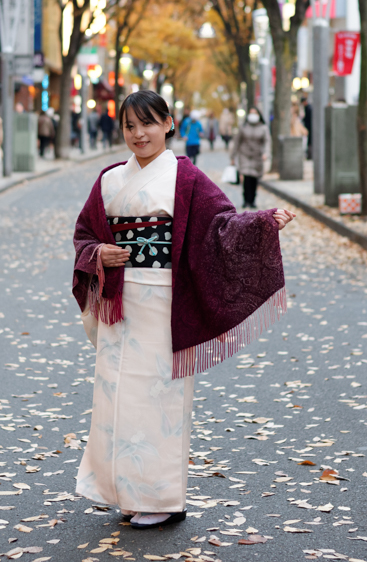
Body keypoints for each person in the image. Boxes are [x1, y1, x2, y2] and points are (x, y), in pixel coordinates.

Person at [71, 90, 295, 529]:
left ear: (169, 123)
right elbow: (83, 234)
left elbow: (222, 226)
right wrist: (99, 253)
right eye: (129, 126)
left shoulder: (186, 178)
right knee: (116, 395)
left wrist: (263, 222)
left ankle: (162, 497)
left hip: (164, 303)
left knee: (159, 397)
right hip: (120, 303)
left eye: (148, 124)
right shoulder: (110, 180)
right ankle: (124, 491)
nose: (139, 134)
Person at [232, 108, 270, 209]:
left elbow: (267, 142)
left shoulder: (263, 128)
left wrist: (266, 153)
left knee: (254, 178)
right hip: (244, 155)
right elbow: (237, 142)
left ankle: (253, 199)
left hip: (257, 156)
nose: (253, 115)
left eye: (255, 113)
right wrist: (232, 155)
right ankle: (246, 200)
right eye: (251, 113)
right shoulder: (243, 127)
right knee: (246, 178)